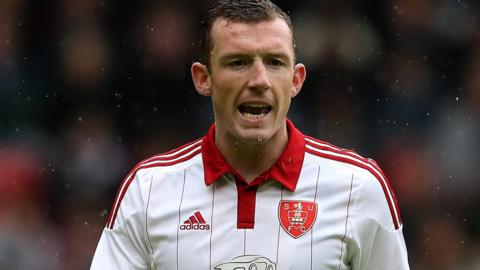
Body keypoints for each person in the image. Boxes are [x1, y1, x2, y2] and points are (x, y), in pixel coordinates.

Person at [90, 0, 410, 269]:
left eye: (274, 62)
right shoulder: (147, 191)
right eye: (238, 62)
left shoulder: (359, 186)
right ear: (203, 79)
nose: (259, 79)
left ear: (296, 80)